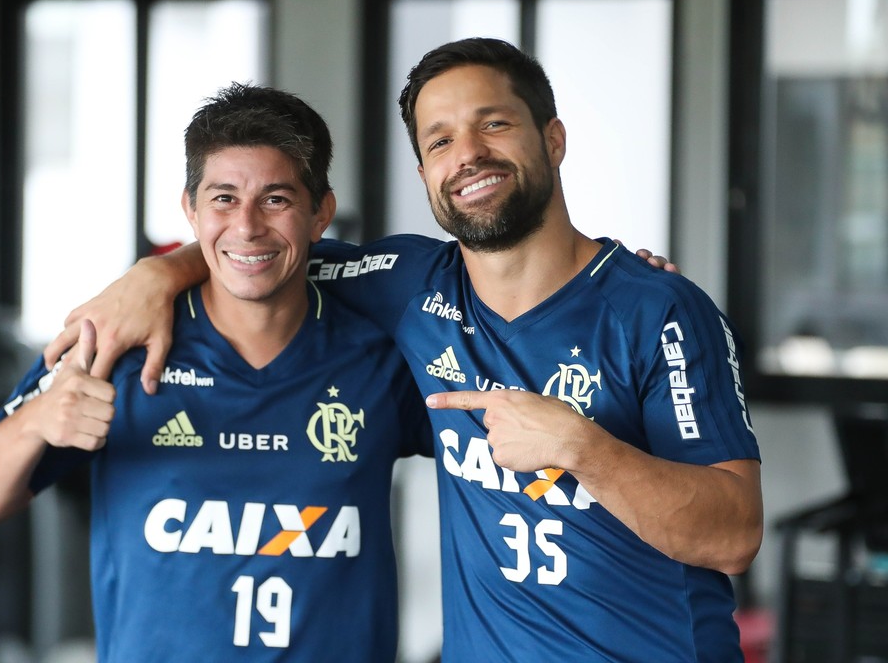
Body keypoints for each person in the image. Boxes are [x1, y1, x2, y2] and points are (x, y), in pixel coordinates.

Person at [46, 39, 763, 661]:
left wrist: (584, 447)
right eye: (440, 140)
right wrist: (155, 274)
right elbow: (261, 249)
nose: (469, 154)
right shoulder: (410, 285)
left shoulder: (659, 310)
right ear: (424, 175)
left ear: (553, 140)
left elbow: (734, 534)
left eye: (495, 124)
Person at [0, 83, 433, 662]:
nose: (247, 226)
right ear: (190, 210)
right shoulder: (119, 346)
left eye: (276, 199)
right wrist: (38, 421)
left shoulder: (379, 355)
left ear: (321, 212)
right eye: (223, 199)